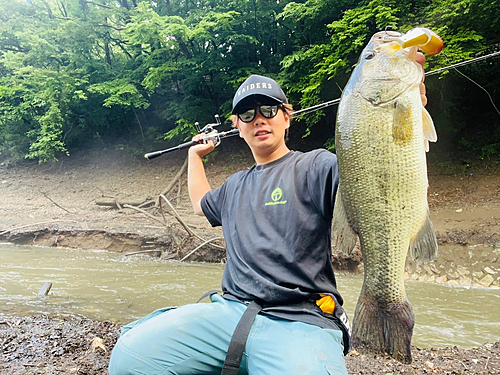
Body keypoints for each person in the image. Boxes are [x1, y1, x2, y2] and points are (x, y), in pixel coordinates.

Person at [109, 57, 428, 375]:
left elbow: (371, 178)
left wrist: (399, 116)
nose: (259, 119)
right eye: (248, 114)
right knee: (129, 358)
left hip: (300, 320)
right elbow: (199, 202)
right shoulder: (233, 186)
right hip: (230, 313)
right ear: (237, 125)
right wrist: (195, 155)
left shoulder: (316, 166)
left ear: (287, 117)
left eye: (269, 110)